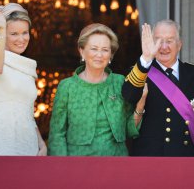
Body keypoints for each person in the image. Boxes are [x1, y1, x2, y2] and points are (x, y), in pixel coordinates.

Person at [48, 23, 144, 156]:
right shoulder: (67, 87)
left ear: (111, 54)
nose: (99, 54)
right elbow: (57, 135)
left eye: (105, 50)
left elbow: (129, 129)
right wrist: (62, 170)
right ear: (82, 51)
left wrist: (140, 104)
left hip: (116, 164)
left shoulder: (120, 82)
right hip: (77, 166)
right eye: (94, 49)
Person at [122, 20, 194, 157]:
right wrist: (145, 58)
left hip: (186, 157)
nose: (163, 47)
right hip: (150, 158)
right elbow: (129, 96)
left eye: (169, 41)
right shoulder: (140, 72)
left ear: (179, 44)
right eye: (158, 41)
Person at [0, 3, 47, 156]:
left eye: (25, 33)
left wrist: (41, 142)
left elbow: (28, 111)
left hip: (27, 139)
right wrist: (2, 28)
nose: (21, 39)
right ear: (2, 33)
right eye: (14, 33)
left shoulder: (27, 68)